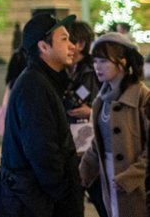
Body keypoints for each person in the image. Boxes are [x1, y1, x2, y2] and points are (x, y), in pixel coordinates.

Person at [0, 12, 83, 217]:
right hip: (33, 203)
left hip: (32, 198)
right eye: (64, 39)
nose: (72, 46)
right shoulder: (34, 86)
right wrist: (63, 195)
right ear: (43, 47)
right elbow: (42, 151)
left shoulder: (43, 80)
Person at [79, 32, 149, 217]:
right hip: (109, 178)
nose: (97, 67)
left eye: (103, 61)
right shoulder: (101, 101)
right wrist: (83, 172)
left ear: (123, 61)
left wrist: (131, 176)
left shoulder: (143, 98)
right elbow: (98, 143)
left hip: (138, 184)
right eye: (95, 61)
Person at [66, 21, 107, 217]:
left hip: (93, 146)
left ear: (80, 44)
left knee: (101, 199)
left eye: (68, 39)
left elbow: (112, 106)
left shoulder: (96, 70)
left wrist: (91, 111)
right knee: (72, 204)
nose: (67, 46)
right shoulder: (61, 69)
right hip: (69, 145)